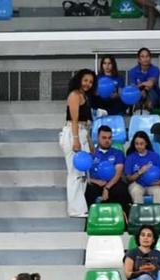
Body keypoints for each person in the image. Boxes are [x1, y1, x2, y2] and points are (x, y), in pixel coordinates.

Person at [61, 69, 96, 218]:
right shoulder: (74, 95)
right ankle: (75, 209)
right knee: (75, 172)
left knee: (82, 173)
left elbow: (86, 124)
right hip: (72, 133)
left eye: (91, 81)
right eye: (85, 80)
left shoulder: (85, 97)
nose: (88, 84)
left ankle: (80, 207)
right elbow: (74, 120)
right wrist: (75, 139)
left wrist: (89, 142)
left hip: (83, 133)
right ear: (79, 80)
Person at [86, 125, 131, 212]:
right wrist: (96, 181)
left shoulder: (118, 153)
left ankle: (123, 220)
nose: (107, 140)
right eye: (104, 138)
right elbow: (85, 176)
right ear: (98, 138)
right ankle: (90, 220)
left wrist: (107, 188)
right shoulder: (91, 154)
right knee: (88, 190)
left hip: (113, 183)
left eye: (109, 138)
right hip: (96, 183)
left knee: (122, 190)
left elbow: (118, 174)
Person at [125, 131, 160, 205]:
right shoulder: (130, 157)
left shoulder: (155, 156)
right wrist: (140, 172)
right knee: (135, 191)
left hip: (153, 185)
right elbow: (128, 179)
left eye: (141, 144)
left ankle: (158, 215)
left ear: (146, 143)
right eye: (136, 144)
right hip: (137, 184)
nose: (139, 146)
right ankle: (139, 216)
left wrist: (158, 182)